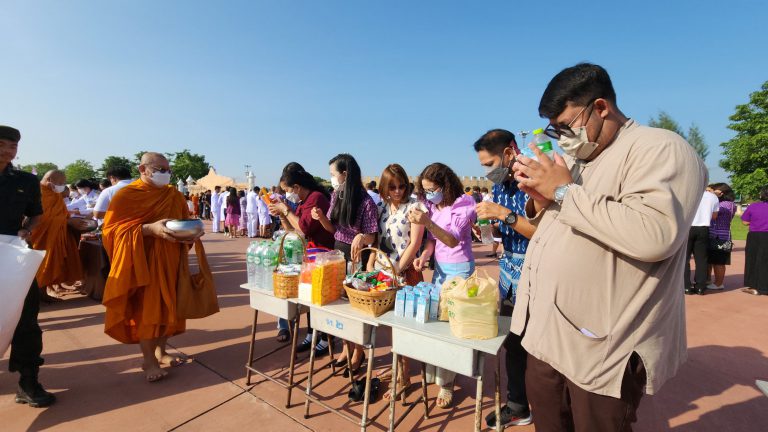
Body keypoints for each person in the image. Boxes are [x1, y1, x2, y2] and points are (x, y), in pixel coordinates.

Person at [510, 63, 706, 431]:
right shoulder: (576, 160)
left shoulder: (661, 148)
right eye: (556, 129)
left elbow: (655, 235)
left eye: (567, 125)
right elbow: (557, 225)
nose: (563, 137)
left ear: (601, 107)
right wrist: (540, 197)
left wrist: (564, 192)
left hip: (601, 346)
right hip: (544, 335)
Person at [102, 152, 202, 382]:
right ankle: (148, 360)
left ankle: (161, 351)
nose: (165, 174)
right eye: (159, 170)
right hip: (143, 264)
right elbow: (111, 233)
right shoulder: (127, 195)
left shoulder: (173, 195)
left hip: (172, 260)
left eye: (168, 170)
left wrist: (191, 234)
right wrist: (149, 229)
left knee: (170, 309)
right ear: (142, 169)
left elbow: (183, 222)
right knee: (149, 311)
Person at [474, 129, 537, 427]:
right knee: (512, 342)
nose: (487, 171)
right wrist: (489, 229)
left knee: (540, 346)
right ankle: (517, 404)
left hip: (536, 270)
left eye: (489, 164)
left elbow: (542, 233)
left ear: (510, 153)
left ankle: (553, 407)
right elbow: (505, 230)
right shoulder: (500, 187)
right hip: (509, 270)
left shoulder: (534, 180)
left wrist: (504, 214)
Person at [408, 162, 476, 409]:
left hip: (459, 271)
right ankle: (440, 372)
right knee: (436, 322)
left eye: (433, 189)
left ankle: (446, 383)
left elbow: (451, 238)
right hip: (439, 270)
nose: (429, 195)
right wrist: (425, 256)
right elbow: (433, 242)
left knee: (451, 326)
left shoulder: (463, 204)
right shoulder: (434, 207)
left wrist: (427, 222)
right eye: (425, 191)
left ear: (446, 185)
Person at [0, 125, 56, 407]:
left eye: (13, 146)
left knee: (26, 320)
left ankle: (28, 381)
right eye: (2, 145)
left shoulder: (26, 181)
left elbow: (36, 215)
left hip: (13, 257)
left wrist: (28, 230)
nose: (8, 151)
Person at [312, 154, 378, 374]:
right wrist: (321, 217)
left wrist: (362, 236)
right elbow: (333, 229)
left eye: (333, 174)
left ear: (345, 174)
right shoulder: (336, 195)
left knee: (355, 306)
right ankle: (346, 347)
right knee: (339, 304)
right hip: (338, 252)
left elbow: (371, 236)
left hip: (357, 257)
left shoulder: (366, 201)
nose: (331, 178)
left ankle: (358, 350)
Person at [366, 164, 425, 399]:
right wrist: (371, 263)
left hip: (405, 272)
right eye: (393, 187)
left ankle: (404, 376)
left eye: (402, 186)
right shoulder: (381, 207)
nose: (398, 191)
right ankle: (399, 368)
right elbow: (378, 240)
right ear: (385, 188)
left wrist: (398, 269)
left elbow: (415, 244)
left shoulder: (415, 207)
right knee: (390, 324)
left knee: (404, 325)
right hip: (384, 273)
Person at [269, 163, 335, 354]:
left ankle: (325, 338)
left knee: (322, 299)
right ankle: (311, 333)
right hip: (311, 255)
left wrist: (285, 209)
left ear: (297, 187)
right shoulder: (302, 202)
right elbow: (293, 231)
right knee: (310, 298)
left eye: (288, 190)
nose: (287, 194)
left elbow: (305, 228)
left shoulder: (316, 198)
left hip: (325, 255)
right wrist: (281, 214)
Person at [28, 170, 85, 301]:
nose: (63, 185)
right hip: (41, 237)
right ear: (49, 181)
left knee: (53, 265)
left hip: (56, 234)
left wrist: (70, 221)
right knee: (42, 265)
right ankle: (37, 296)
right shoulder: (38, 193)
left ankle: (44, 292)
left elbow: (61, 213)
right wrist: (67, 221)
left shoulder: (54, 194)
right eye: (60, 183)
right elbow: (40, 218)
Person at [686, 188, 719, 295]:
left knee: (684, 259)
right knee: (701, 259)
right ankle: (700, 287)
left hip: (687, 227)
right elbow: (714, 216)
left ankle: (686, 286)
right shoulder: (713, 197)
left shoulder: (687, 192)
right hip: (703, 228)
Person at [707, 183, 736, 290]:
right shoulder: (719, 202)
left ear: (721, 192)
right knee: (711, 260)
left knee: (718, 262)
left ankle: (719, 283)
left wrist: (712, 196)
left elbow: (714, 213)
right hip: (713, 234)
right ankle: (709, 280)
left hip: (722, 236)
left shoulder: (727, 204)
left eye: (713, 191)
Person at [741, 185, 768, 296]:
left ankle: (756, 286)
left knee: (753, 259)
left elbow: (745, 221)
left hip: (755, 236)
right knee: (765, 260)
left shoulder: (754, 206)